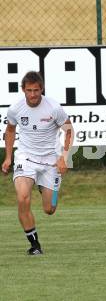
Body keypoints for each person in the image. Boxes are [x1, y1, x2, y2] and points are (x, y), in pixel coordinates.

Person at [1, 71, 74, 255]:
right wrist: (8, 157)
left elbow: (69, 130)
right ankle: (35, 245)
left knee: (49, 209)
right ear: (23, 90)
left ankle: (44, 186)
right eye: (29, 90)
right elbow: (10, 131)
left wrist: (64, 157)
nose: (32, 94)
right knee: (22, 197)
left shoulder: (54, 108)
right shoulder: (15, 109)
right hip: (26, 158)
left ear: (42, 89)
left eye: (36, 90)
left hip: (51, 161)